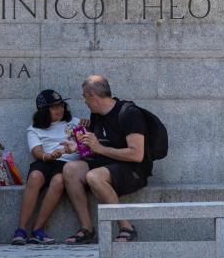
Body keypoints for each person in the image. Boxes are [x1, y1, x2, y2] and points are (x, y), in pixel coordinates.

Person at [62, 74, 150, 244]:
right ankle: (87, 229)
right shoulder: (96, 114)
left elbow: (137, 154)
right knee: (70, 169)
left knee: (93, 176)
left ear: (92, 95)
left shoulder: (129, 113)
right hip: (106, 164)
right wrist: (77, 147)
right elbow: (95, 147)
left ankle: (126, 227)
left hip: (133, 170)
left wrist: (100, 149)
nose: (84, 101)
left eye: (84, 96)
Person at [10, 89, 82, 245]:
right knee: (35, 176)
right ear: (44, 110)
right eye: (54, 107)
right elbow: (37, 152)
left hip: (68, 164)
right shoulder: (34, 129)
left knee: (58, 181)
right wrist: (49, 156)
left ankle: (37, 230)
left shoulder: (75, 122)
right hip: (46, 160)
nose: (60, 109)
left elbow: (84, 144)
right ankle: (21, 230)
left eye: (61, 105)